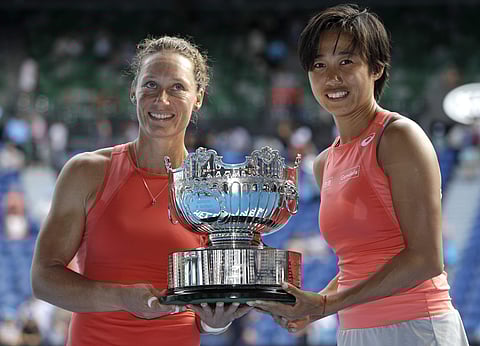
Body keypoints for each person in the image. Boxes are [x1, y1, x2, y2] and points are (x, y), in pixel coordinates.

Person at [247, 4, 469, 346]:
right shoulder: (324, 163)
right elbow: (357, 266)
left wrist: (327, 303)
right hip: (354, 332)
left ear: (376, 68)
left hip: (418, 328)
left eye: (346, 62)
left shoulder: (398, 137)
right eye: (319, 65)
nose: (331, 77)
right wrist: (317, 305)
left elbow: (425, 259)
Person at [31, 35, 251, 346]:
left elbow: (210, 307)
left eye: (177, 87)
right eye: (150, 85)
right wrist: (122, 298)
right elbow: (44, 280)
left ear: (198, 96)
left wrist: (215, 323)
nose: (162, 100)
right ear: (133, 91)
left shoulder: (217, 190)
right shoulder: (86, 172)